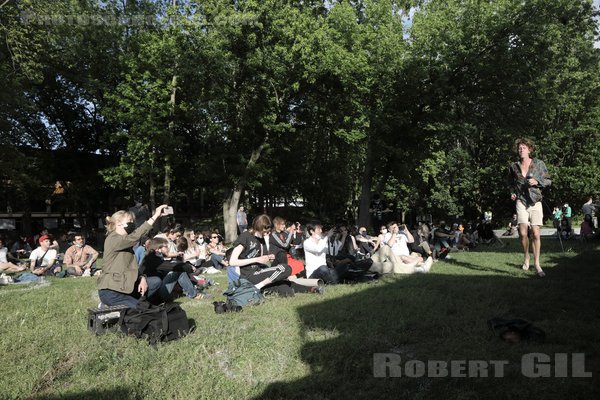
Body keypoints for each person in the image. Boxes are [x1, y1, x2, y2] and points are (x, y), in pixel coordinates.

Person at [96, 204, 168, 308]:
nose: (132, 223)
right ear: (118, 223)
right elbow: (135, 236)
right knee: (143, 312)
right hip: (112, 291)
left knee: (155, 282)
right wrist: (155, 216)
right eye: (129, 221)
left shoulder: (125, 242)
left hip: (125, 286)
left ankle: (134, 302)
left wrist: (142, 278)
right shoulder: (113, 239)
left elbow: (129, 268)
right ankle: (111, 304)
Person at [507, 138, 551, 277]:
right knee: (523, 233)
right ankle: (526, 256)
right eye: (519, 148)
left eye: (524, 148)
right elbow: (509, 182)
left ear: (530, 149)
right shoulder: (514, 166)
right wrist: (512, 192)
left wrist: (537, 181)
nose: (521, 150)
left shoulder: (539, 164)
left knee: (536, 234)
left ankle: (537, 264)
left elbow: (548, 180)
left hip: (535, 201)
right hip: (521, 201)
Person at [228, 214, 292, 290]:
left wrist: (267, 257)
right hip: (249, 275)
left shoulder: (260, 239)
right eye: (264, 232)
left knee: (285, 287)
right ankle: (258, 287)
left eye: (267, 232)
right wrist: (256, 259)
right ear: (258, 227)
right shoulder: (245, 237)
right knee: (286, 268)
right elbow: (232, 262)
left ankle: (264, 287)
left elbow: (260, 258)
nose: (265, 234)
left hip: (259, 271)